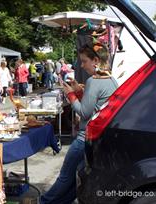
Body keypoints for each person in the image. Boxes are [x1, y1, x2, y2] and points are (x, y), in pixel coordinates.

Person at [40, 42, 118, 204]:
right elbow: (96, 106)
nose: (82, 66)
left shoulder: (94, 81)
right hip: (97, 139)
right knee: (76, 179)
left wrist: (71, 95)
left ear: (96, 60)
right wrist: (80, 91)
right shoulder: (111, 79)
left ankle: (44, 201)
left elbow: (84, 112)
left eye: (84, 61)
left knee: (65, 177)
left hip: (85, 138)